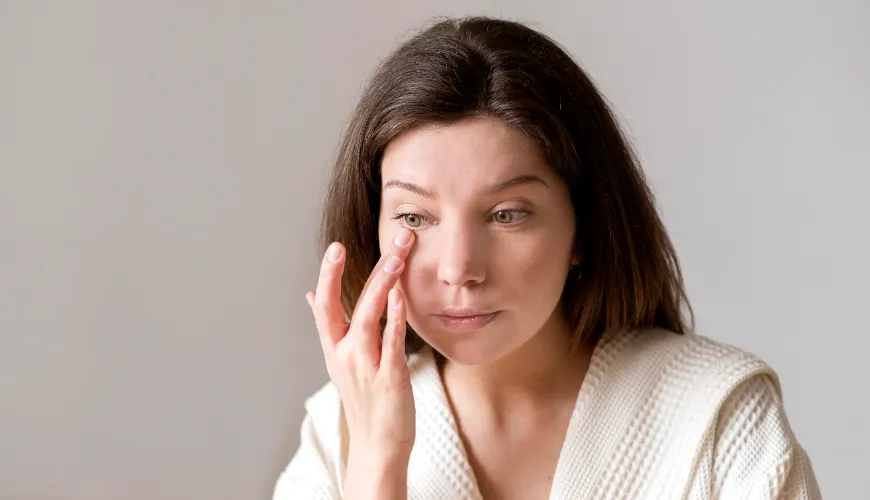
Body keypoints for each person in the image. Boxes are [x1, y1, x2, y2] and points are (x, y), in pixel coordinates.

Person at [274, 16, 821, 500]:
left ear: (582, 226)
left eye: (507, 213)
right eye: (414, 218)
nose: (459, 268)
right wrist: (377, 462)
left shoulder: (717, 417)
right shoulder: (338, 433)